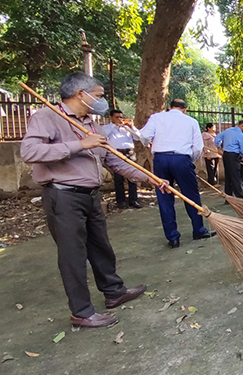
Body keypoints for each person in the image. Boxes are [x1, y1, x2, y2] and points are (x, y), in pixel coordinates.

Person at [20, 72, 169, 327]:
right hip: (63, 196)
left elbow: (112, 159)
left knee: (101, 247)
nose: (102, 102)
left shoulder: (91, 124)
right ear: (81, 94)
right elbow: (30, 151)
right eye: (99, 96)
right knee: (73, 254)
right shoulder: (47, 118)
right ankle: (82, 312)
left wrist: (148, 178)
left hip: (91, 196)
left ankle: (114, 291)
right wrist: (80, 145)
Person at [140, 99, 216, 249]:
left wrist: (150, 144)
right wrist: (189, 161)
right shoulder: (191, 121)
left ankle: (173, 237)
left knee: (164, 197)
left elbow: (144, 137)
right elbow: (197, 147)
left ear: (170, 107)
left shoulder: (156, 117)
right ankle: (198, 230)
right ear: (185, 109)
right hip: (182, 159)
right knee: (191, 195)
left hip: (160, 159)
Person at [102, 109, 142, 209]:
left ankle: (133, 200)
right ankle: (121, 201)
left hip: (129, 152)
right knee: (118, 178)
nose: (120, 119)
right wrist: (114, 125)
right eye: (117, 117)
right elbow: (103, 135)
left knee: (133, 176)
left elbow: (138, 137)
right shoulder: (107, 128)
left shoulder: (126, 128)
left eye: (121, 117)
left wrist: (132, 127)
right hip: (116, 153)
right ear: (111, 118)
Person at [215, 120, 243, 198]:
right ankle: (239, 197)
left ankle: (228, 197)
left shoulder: (227, 131)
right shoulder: (240, 134)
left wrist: (218, 147)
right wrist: (242, 155)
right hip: (233, 155)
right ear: (242, 125)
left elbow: (217, 138)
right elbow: (242, 147)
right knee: (235, 176)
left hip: (226, 155)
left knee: (228, 176)